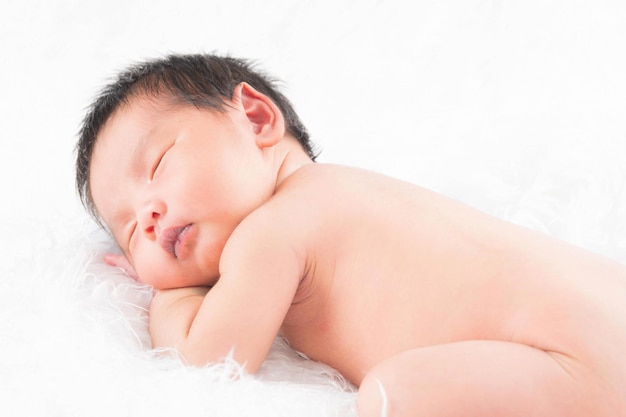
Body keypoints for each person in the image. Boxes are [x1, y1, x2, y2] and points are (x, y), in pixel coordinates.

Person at [76, 53, 626, 417]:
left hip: (566, 360)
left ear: (256, 118)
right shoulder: (347, 191)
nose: (147, 217)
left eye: (157, 164)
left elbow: (208, 358)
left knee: (392, 396)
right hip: (602, 304)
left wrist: (169, 296)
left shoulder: (271, 231)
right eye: (129, 234)